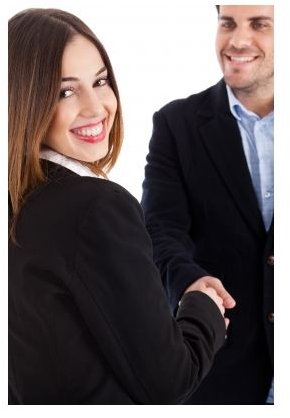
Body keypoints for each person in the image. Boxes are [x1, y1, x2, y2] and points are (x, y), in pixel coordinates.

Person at [8, 8, 236, 405]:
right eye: (66, 91)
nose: (96, 107)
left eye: (99, 81)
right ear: (27, 101)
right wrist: (203, 308)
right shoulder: (96, 209)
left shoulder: (20, 202)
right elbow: (169, 382)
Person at [142, 5, 273, 405]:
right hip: (222, 373)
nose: (237, 40)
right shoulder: (176, 124)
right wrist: (187, 281)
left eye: (260, 24)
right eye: (227, 23)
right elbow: (159, 230)